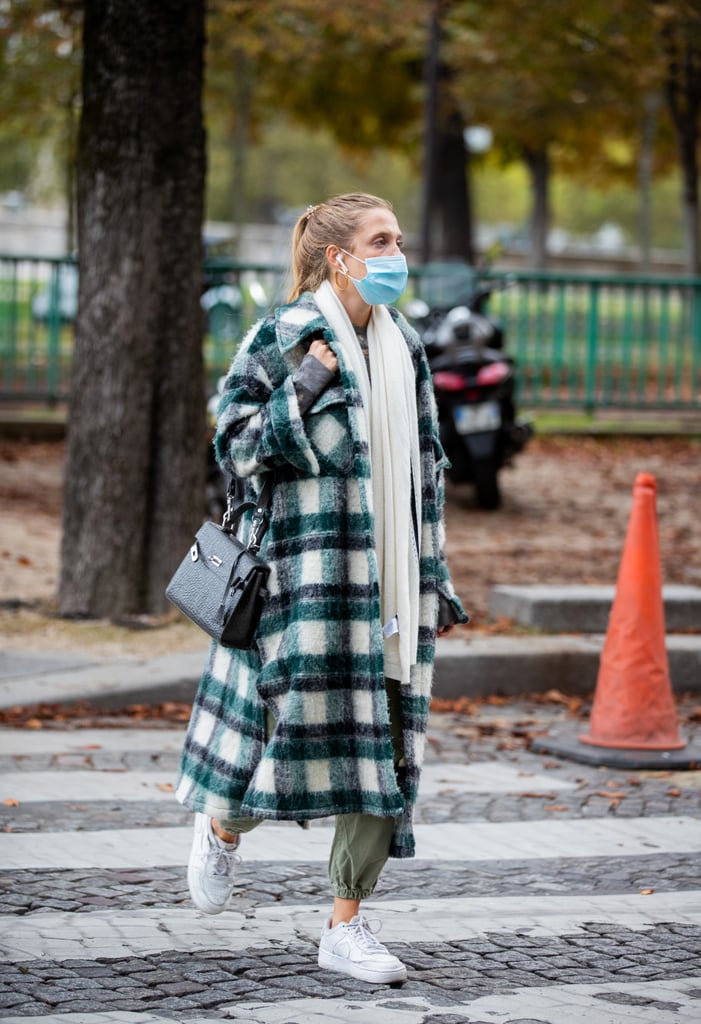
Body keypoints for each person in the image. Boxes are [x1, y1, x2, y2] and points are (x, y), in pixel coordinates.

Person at [176, 192, 468, 985]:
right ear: (339, 257)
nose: (395, 255)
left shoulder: (405, 345)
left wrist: (433, 578)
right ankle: (222, 824)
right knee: (281, 741)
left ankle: (346, 923)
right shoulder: (281, 336)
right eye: (381, 241)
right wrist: (304, 381)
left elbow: (425, 475)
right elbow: (233, 447)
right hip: (304, 586)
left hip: (393, 585)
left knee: (383, 750)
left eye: (398, 239)